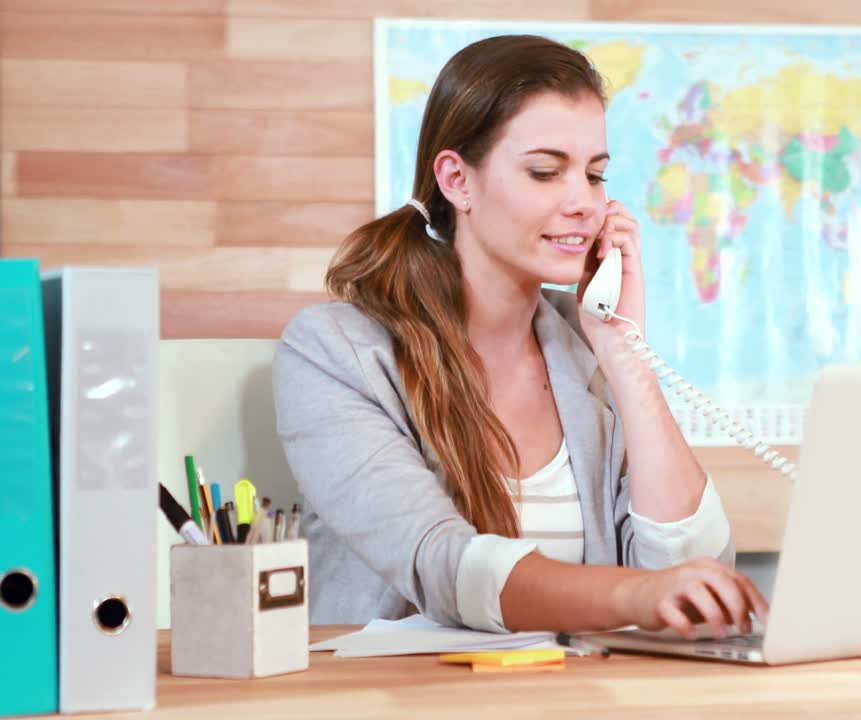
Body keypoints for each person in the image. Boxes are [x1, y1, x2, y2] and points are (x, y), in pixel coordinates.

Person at [272, 34, 767, 639]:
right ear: (457, 180)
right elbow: (442, 565)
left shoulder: (584, 352)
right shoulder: (335, 352)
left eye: (594, 174)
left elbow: (696, 580)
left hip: (577, 697)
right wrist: (636, 595)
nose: (583, 203)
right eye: (544, 172)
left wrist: (624, 352)